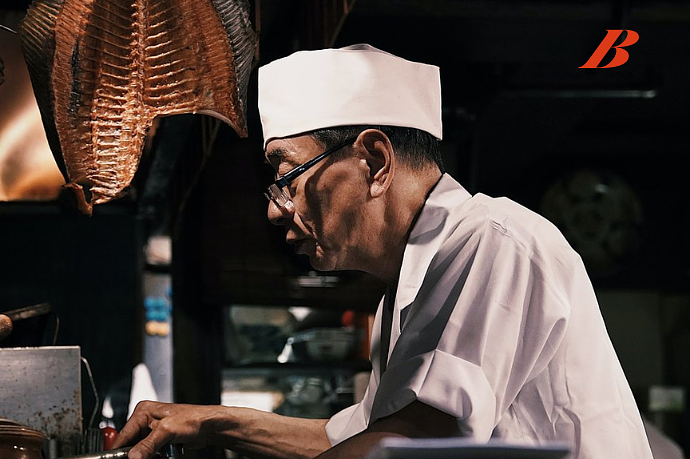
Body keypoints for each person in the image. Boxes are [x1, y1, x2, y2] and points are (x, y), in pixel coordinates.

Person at [113, 44, 654, 459]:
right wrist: (211, 423)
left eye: (287, 176)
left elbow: (422, 437)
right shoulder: (403, 292)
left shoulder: (493, 239)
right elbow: (354, 436)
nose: (276, 209)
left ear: (373, 161)